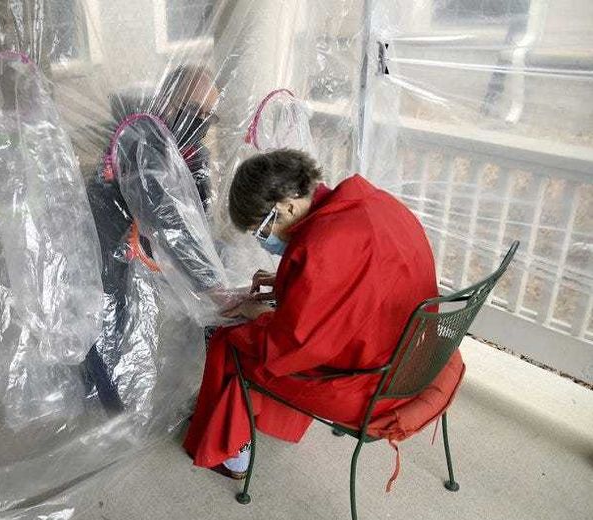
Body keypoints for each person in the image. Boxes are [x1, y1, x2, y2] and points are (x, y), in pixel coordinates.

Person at [183, 149, 438, 477]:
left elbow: (294, 346)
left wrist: (256, 312)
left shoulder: (321, 245)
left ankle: (233, 453)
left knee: (230, 341)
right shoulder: (372, 203)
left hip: (374, 383)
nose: (265, 242)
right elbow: (370, 278)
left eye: (262, 231)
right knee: (249, 326)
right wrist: (287, 280)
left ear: (287, 205)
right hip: (418, 353)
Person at [82, 65, 222, 413]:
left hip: (148, 249)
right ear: (169, 101)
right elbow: (165, 218)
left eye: (209, 116)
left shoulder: (191, 150)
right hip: (112, 242)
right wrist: (209, 281)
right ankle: (107, 399)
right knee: (109, 313)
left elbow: (196, 214)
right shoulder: (140, 141)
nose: (202, 122)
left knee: (158, 312)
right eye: (194, 111)